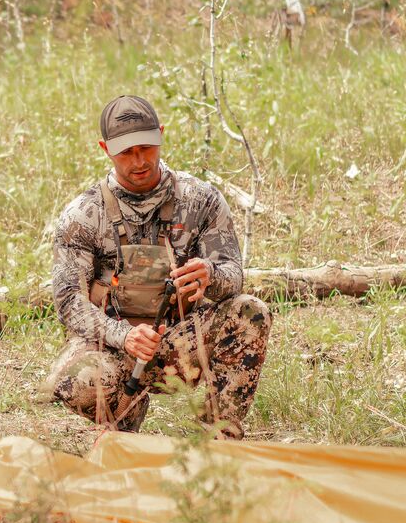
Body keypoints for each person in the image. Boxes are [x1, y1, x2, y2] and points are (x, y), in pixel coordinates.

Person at [38, 95, 273, 436]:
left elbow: (233, 276)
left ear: (161, 135)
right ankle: (123, 421)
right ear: (105, 149)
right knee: (75, 383)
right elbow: (69, 303)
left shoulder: (201, 199)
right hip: (113, 345)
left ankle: (218, 437)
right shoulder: (82, 216)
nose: (139, 161)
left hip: (180, 340)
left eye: (147, 147)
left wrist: (211, 275)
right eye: (126, 152)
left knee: (251, 312)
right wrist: (125, 336)